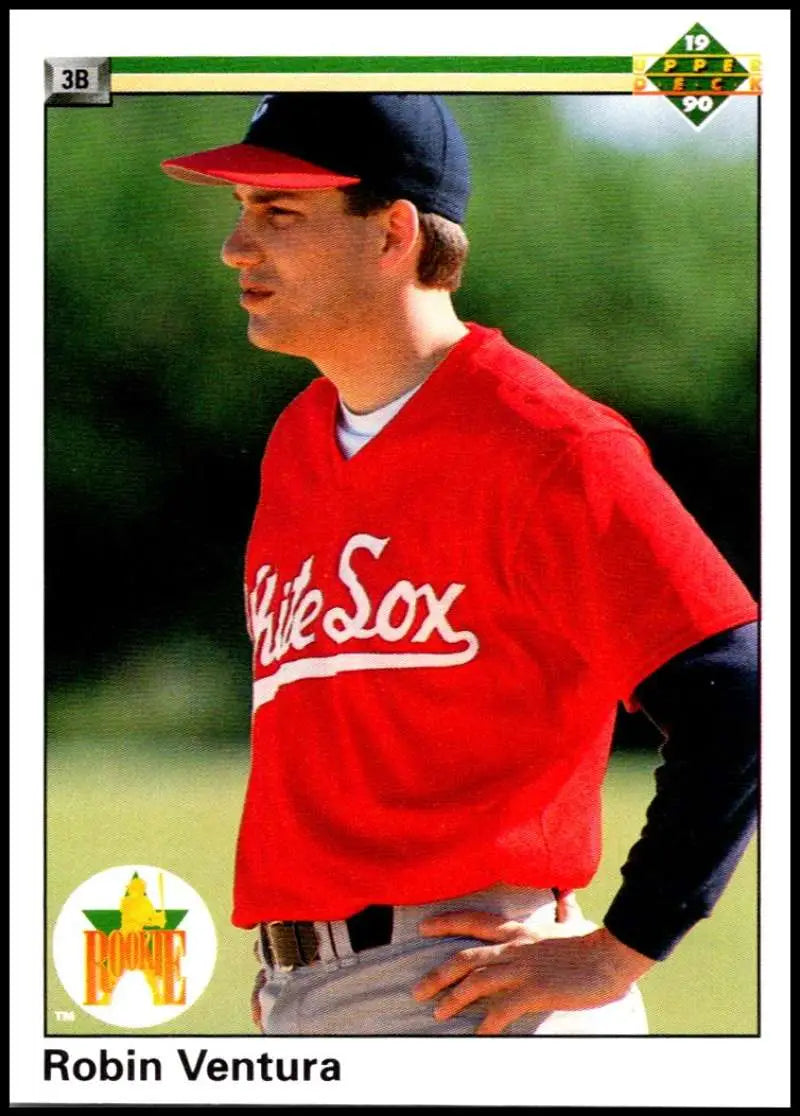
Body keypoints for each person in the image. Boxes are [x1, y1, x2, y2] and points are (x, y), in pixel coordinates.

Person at [161, 93, 758, 1036]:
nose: (237, 246)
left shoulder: (547, 442)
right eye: (240, 210)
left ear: (394, 232)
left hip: (470, 993)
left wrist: (624, 947)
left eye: (278, 213)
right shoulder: (300, 439)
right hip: (312, 996)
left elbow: (739, 693)